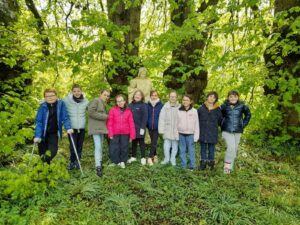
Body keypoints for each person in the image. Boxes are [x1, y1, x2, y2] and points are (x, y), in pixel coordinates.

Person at [34, 88, 73, 164]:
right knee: (42, 153)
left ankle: (40, 165)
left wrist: (68, 127)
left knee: (53, 151)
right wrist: (38, 136)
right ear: (45, 98)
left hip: (53, 133)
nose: (50, 97)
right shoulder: (42, 107)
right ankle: (45, 170)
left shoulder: (61, 105)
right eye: (47, 96)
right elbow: (39, 122)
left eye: (52, 95)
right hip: (42, 134)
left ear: (56, 96)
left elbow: (65, 117)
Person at [221, 90, 251, 174]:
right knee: (231, 147)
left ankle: (230, 168)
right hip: (226, 130)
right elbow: (218, 116)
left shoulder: (242, 106)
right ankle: (226, 169)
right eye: (231, 96)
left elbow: (248, 115)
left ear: (238, 97)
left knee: (234, 149)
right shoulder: (224, 106)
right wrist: (222, 124)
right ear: (228, 98)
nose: (233, 98)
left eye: (235, 96)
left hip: (238, 131)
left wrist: (243, 124)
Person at [63, 84, 89, 170]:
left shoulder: (85, 101)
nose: (77, 93)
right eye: (74, 91)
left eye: (78, 91)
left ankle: (78, 161)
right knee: (72, 145)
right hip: (72, 128)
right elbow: (58, 103)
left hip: (81, 127)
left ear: (81, 91)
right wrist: (45, 101)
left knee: (80, 145)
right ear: (72, 92)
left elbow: (92, 108)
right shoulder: (67, 100)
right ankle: (72, 161)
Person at [107, 94, 136, 168]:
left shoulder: (128, 111)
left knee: (124, 147)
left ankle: (123, 161)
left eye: (121, 101)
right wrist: (110, 133)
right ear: (116, 102)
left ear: (124, 101)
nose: (120, 102)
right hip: (115, 132)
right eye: (118, 101)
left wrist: (132, 135)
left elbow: (131, 123)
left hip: (125, 133)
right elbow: (110, 122)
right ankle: (115, 162)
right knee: (114, 148)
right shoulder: (112, 110)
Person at [197, 91, 223, 170]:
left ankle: (211, 164)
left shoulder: (218, 109)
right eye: (210, 96)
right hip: (203, 132)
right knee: (203, 149)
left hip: (212, 132)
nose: (212, 98)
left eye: (214, 97)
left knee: (211, 149)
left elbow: (220, 121)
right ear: (207, 97)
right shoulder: (201, 108)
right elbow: (197, 120)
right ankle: (203, 164)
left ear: (216, 99)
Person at [88, 89, 110, 177]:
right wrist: (106, 117)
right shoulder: (96, 100)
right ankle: (98, 166)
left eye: (108, 96)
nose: (106, 97)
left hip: (101, 128)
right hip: (95, 128)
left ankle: (99, 162)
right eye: (105, 95)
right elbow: (91, 112)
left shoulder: (104, 103)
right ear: (100, 94)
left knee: (100, 145)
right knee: (98, 146)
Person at [177, 94, 199, 170]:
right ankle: (183, 166)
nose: (185, 101)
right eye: (183, 100)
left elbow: (196, 124)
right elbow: (176, 123)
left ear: (190, 101)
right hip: (181, 134)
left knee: (191, 151)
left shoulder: (194, 111)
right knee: (182, 151)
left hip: (190, 134)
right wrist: (176, 134)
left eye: (187, 100)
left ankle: (191, 167)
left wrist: (196, 137)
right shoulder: (178, 111)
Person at [158, 90, 180, 166]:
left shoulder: (180, 107)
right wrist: (161, 130)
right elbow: (161, 119)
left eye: (174, 96)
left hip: (176, 130)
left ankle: (173, 159)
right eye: (171, 96)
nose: (173, 98)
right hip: (167, 129)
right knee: (166, 145)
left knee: (175, 145)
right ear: (169, 97)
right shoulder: (165, 107)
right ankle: (166, 159)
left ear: (177, 97)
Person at [128, 90, 148, 165]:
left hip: (141, 128)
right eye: (136, 94)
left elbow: (145, 117)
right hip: (132, 128)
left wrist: (142, 128)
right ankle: (133, 157)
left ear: (142, 96)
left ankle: (143, 157)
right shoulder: (130, 105)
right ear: (133, 96)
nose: (137, 96)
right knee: (134, 142)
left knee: (142, 142)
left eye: (139, 95)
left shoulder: (144, 105)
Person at [147, 90, 163, 165]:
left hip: (157, 126)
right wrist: (147, 124)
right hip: (150, 126)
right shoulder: (147, 105)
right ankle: (155, 155)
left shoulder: (161, 105)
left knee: (154, 142)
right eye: (152, 95)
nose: (154, 96)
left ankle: (150, 157)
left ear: (157, 96)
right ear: (150, 96)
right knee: (153, 141)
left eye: (155, 95)